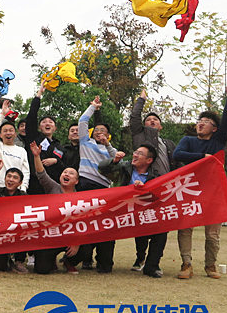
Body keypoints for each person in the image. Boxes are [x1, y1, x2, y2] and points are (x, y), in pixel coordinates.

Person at [173, 78, 227, 280]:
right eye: (199, 121)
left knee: (212, 234)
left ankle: (210, 265)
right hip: (191, 190)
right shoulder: (188, 141)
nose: (200, 124)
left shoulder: (219, 141)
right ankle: (186, 264)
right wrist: (203, 158)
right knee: (185, 228)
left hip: (214, 191)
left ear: (214, 129)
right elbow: (177, 155)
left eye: (206, 122)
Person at [128, 89, 177, 271]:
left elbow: (177, 165)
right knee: (142, 223)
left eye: (156, 120)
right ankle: (140, 257)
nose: (152, 121)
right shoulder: (140, 136)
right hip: (144, 186)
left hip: (164, 190)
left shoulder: (169, 144)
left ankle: (153, 263)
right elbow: (134, 118)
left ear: (161, 126)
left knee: (162, 226)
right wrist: (141, 100)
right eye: (149, 119)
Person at [99, 145, 163, 277]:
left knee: (162, 231)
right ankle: (104, 264)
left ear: (149, 160)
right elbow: (102, 168)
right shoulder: (124, 167)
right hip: (120, 210)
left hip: (142, 213)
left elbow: (158, 197)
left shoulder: (155, 176)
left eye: (139, 154)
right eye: (135, 152)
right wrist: (114, 161)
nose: (135, 155)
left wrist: (145, 189)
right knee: (105, 226)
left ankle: (151, 266)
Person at [76, 95, 119, 273]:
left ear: (108, 135)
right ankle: (85, 259)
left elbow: (114, 159)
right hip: (85, 184)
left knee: (102, 226)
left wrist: (107, 144)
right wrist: (93, 106)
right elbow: (82, 122)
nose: (100, 133)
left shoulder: (112, 150)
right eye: (97, 130)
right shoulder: (85, 142)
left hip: (103, 189)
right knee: (85, 225)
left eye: (103, 131)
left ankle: (104, 262)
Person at [28, 141, 81, 274]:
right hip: (50, 236)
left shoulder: (81, 198)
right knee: (41, 269)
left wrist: (77, 242)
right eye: (64, 172)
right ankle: (50, 260)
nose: (66, 174)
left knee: (85, 247)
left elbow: (83, 222)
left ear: (77, 181)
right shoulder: (53, 187)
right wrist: (36, 156)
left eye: (71, 173)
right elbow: (41, 173)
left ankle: (69, 262)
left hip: (69, 237)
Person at [24, 81, 66, 193]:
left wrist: (56, 161)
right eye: (44, 122)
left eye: (51, 122)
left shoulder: (60, 146)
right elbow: (32, 116)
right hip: (34, 184)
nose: (47, 124)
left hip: (54, 187)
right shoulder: (34, 137)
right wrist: (39, 95)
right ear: (39, 127)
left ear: (55, 128)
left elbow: (66, 167)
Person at [0, 99, 30, 193]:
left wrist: (23, 188)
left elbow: (26, 171)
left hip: (16, 190)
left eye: (11, 130)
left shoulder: (21, 151)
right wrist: (2, 114)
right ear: (0, 135)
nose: (8, 133)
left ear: (15, 134)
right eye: (5, 131)